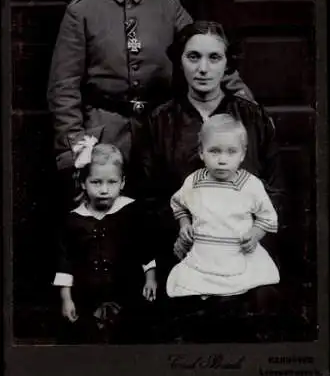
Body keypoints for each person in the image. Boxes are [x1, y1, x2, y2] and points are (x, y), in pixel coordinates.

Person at [47, 0, 253, 206]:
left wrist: (247, 106)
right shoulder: (81, 12)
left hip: (162, 133)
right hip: (104, 137)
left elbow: (206, 53)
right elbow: (63, 89)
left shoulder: (168, 7)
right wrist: (78, 156)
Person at [132, 21, 285, 294]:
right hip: (182, 256)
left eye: (214, 57)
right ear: (180, 61)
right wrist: (177, 234)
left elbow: (275, 188)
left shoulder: (253, 117)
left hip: (243, 257)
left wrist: (253, 236)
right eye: (193, 57)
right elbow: (147, 196)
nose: (203, 69)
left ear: (228, 63)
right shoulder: (159, 121)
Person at [53, 143, 157, 344]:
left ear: (122, 182)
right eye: (96, 182)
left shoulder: (131, 212)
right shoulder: (73, 220)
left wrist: (150, 279)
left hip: (126, 295)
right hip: (87, 298)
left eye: (112, 182)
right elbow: (65, 262)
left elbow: (144, 248)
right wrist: (66, 298)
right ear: (83, 183)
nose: (104, 190)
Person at [167, 113, 280, 299]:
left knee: (248, 291)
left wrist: (255, 234)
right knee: (188, 289)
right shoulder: (194, 182)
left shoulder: (249, 185)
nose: (222, 160)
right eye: (214, 151)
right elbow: (178, 204)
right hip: (204, 254)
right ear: (202, 153)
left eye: (231, 152)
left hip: (238, 254)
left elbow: (267, 217)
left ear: (243, 154)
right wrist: (184, 224)